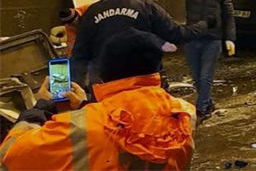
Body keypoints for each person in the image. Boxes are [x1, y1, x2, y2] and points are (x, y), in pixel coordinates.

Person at [2, 29, 196, 170]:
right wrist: (86, 106)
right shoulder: (184, 113)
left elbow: (10, 156)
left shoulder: (81, 128)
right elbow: (132, 128)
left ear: (103, 72)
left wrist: (40, 106)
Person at [71, 0, 210, 87]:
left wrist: (77, 86)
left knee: (107, 115)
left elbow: (79, 53)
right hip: (142, 80)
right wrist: (204, 25)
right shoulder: (148, 8)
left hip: (104, 80)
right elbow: (176, 34)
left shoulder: (93, 10)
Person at [169, 0, 236, 122]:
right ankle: (208, 101)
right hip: (192, 40)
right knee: (197, 77)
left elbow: (229, 17)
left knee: (206, 75)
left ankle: (201, 108)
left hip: (212, 41)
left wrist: (230, 39)